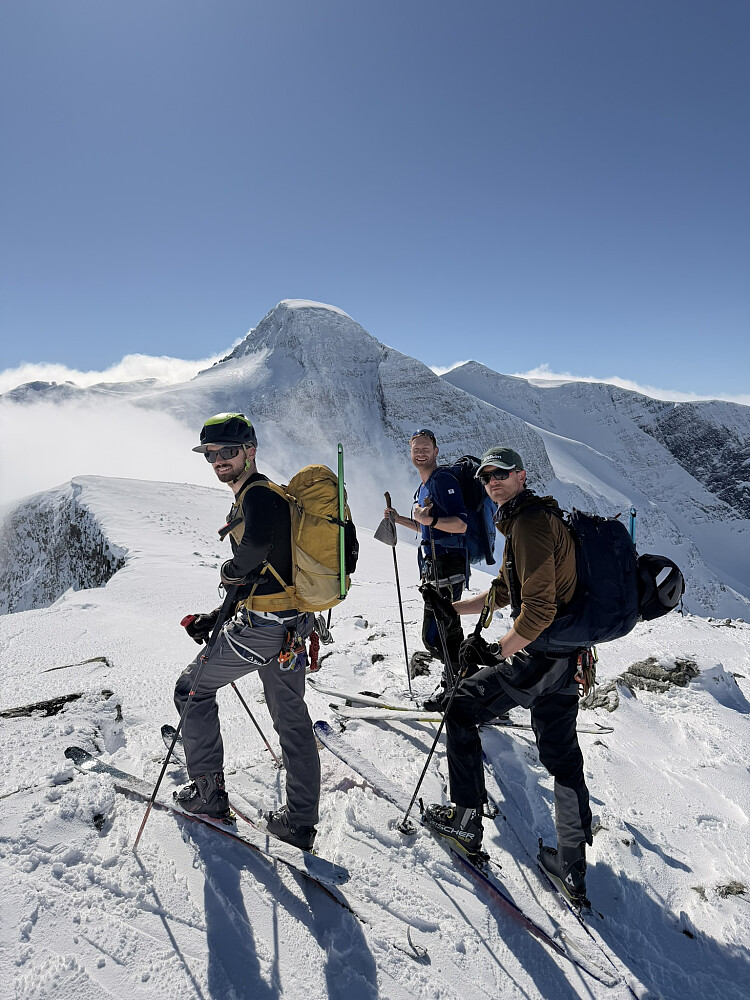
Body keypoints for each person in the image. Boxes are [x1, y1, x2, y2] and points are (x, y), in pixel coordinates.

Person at [423, 445, 593, 904]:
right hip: (566, 659)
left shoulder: (530, 523)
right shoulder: (529, 519)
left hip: (538, 657)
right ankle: (571, 865)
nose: (491, 481)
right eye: (485, 476)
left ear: (521, 476)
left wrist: (496, 652)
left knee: (461, 707)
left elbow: (537, 609)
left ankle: (464, 820)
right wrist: (454, 607)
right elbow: (506, 589)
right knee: (562, 755)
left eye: (501, 473)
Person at [173, 412, 319, 850]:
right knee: (292, 722)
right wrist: (216, 616)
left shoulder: (255, 495)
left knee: (191, 690)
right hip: (291, 629)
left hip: (261, 630)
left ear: (250, 451)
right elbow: (267, 573)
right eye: (211, 454)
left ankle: (208, 796)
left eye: (228, 452)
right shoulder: (272, 495)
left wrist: (228, 569)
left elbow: (252, 553)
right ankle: (299, 823)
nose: (219, 461)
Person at [385, 429, 468, 697]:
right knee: (443, 633)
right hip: (434, 567)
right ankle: (460, 686)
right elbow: (426, 529)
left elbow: (460, 524)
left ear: (436, 451)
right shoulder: (423, 487)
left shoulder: (443, 480)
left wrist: (428, 520)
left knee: (438, 635)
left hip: (448, 567)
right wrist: (400, 519)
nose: (420, 453)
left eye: (425, 448)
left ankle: (462, 688)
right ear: (410, 453)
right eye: (416, 449)